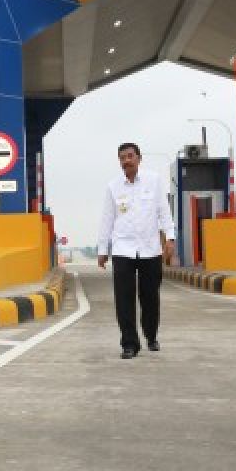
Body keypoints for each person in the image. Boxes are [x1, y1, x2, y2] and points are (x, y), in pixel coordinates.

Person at [97, 143, 176, 359]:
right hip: (123, 248)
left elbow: (163, 210)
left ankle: (151, 335)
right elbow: (107, 219)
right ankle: (129, 343)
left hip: (150, 248)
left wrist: (170, 237)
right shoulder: (113, 187)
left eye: (130, 156)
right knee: (124, 298)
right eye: (122, 157)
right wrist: (103, 249)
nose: (126, 160)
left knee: (150, 297)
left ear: (139, 158)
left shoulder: (154, 180)